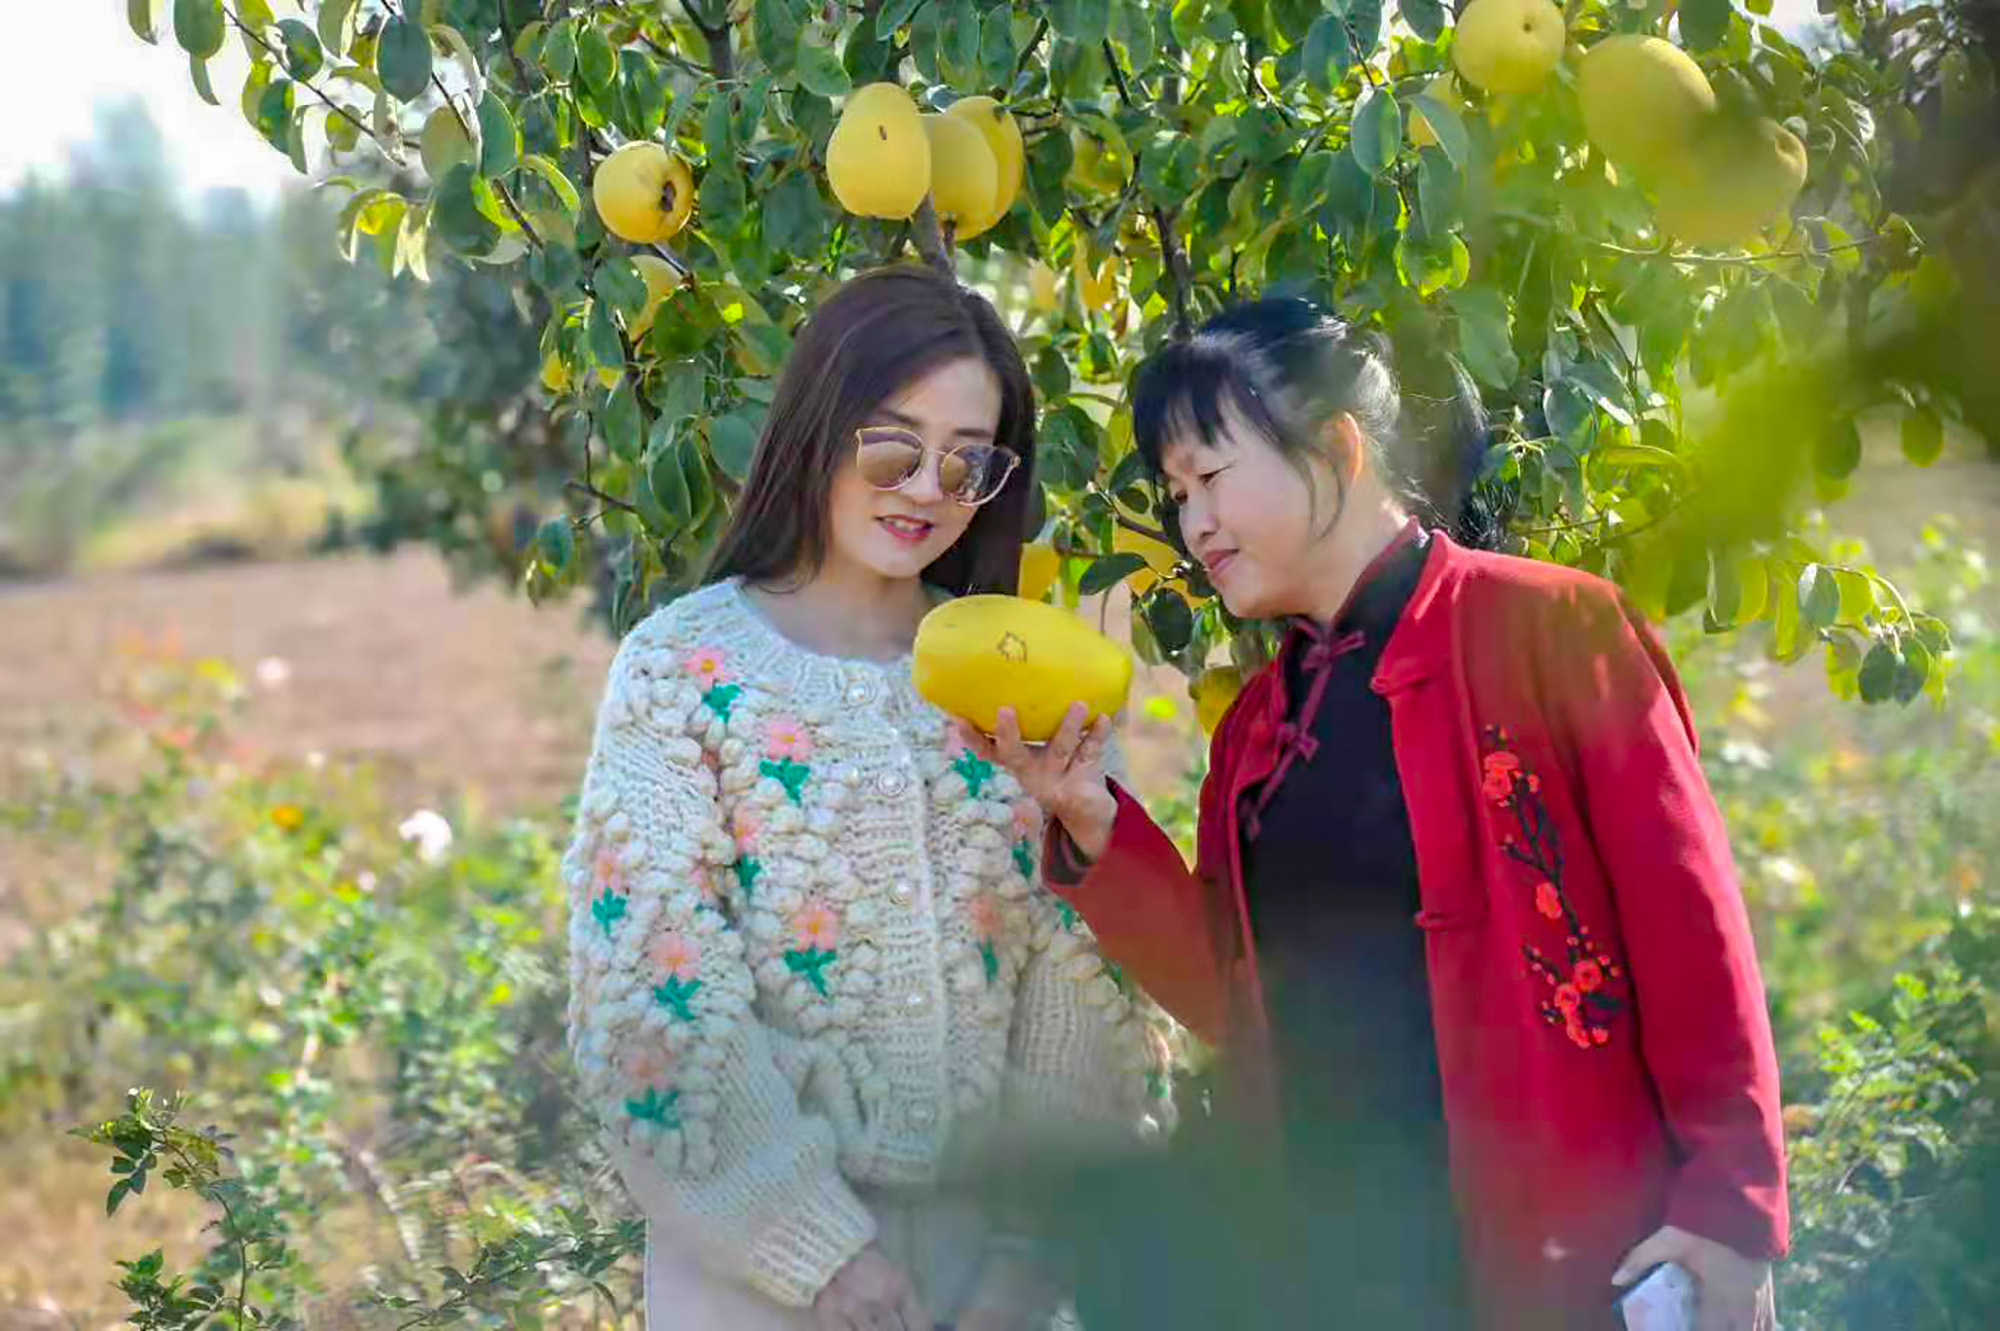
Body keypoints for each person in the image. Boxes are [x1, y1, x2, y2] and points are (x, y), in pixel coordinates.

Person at [962, 296, 1788, 1330]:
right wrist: (1094, 821)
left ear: (1339, 448)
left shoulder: (1548, 628)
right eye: (1175, 494)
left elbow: (1688, 930)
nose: (1192, 523)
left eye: (1210, 476)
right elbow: (1232, 999)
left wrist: (1730, 1210)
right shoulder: (1258, 726)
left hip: (1564, 1257)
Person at [561, 265, 1172, 1331]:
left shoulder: (1027, 681)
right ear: (818, 428)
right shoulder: (683, 675)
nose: (926, 488)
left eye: (967, 461)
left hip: (1002, 1277)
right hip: (755, 1271)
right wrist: (819, 1249)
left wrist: (1028, 1256)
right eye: (893, 447)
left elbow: (1088, 975)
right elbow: (652, 983)